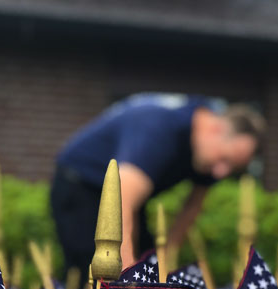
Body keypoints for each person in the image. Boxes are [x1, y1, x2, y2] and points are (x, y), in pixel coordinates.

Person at [51, 93, 265, 272]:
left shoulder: (207, 154)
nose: (221, 173)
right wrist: (126, 275)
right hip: (82, 186)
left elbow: (191, 208)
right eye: (224, 159)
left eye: (232, 168)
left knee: (147, 266)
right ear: (215, 129)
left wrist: (165, 261)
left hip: (128, 199)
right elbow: (120, 203)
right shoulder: (159, 130)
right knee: (97, 272)